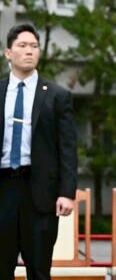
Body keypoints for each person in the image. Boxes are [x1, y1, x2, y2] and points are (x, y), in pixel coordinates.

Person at [0, 23, 78, 280]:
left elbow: (68, 148)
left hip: (40, 193)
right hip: (3, 189)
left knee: (39, 269)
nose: (29, 51)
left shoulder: (57, 96)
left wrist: (67, 192)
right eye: (22, 45)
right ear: (8, 53)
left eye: (34, 46)